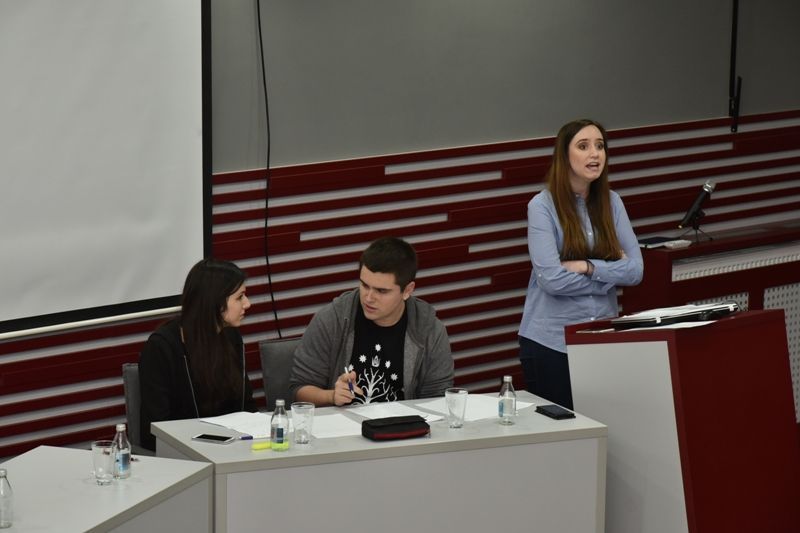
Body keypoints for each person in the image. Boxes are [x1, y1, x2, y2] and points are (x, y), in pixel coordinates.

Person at [519, 119, 643, 409]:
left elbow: (636, 270)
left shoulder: (612, 202)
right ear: (564, 155)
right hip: (551, 344)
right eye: (583, 146)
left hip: (600, 338)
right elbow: (551, 280)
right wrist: (610, 275)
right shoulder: (542, 206)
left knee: (602, 426)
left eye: (600, 146)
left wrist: (588, 267)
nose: (595, 154)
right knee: (560, 430)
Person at [290, 236, 454, 406]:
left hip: (404, 422)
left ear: (407, 290)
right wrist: (331, 396)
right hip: (343, 420)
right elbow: (299, 389)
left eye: (381, 291)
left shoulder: (429, 330)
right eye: (364, 285)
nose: (368, 298)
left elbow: (438, 399)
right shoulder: (332, 319)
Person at [138, 258, 257, 450]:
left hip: (233, 448)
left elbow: (246, 406)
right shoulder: (163, 347)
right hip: (183, 454)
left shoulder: (231, 337)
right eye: (239, 297)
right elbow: (154, 430)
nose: (247, 304)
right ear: (215, 301)